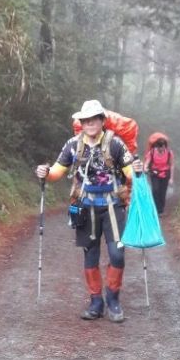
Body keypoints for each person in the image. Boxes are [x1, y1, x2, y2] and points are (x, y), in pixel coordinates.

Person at [36, 99, 143, 322]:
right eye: (85, 120)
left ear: (102, 121)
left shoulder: (115, 144)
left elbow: (129, 173)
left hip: (113, 205)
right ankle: (96, 302)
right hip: (85, 207)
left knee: (117, 254)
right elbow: (57, 171)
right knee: (90, 254)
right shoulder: (73, 145)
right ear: (81, 123)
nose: (90, 123)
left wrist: (137, 170)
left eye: (94, 119)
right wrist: (45, 172)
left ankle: (113, 299)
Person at [143, 132, 174, 216]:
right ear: (157, 146)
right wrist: (145, 168)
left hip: (165, 174)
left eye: (163, 147)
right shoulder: (152, 152)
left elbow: (171, 165)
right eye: (159, 147)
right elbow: (147, 162)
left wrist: (171, 178)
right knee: (155, 190)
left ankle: (160, 210)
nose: (161, 149)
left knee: (162, 192)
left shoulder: (169, 153)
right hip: (155, 174)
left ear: (165, 146)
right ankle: (155, 208)